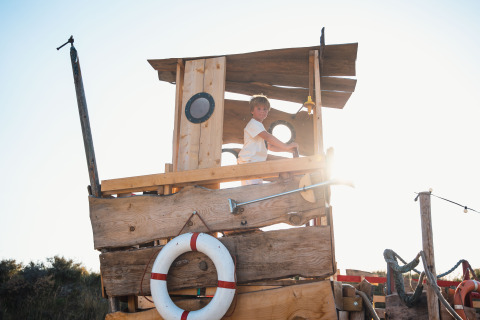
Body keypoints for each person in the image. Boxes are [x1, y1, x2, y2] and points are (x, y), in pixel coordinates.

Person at [237, 94, 299, 185]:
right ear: (252, 111)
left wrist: (287, 150)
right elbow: (268, 137)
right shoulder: (253, 124)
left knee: (258, 191)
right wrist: (286, 146)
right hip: (249, 163)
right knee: (252, 192)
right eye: (259, 108)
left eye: (265, 109)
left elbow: (269, 146)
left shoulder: (259, 126)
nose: (262, 111)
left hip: (256, 165)